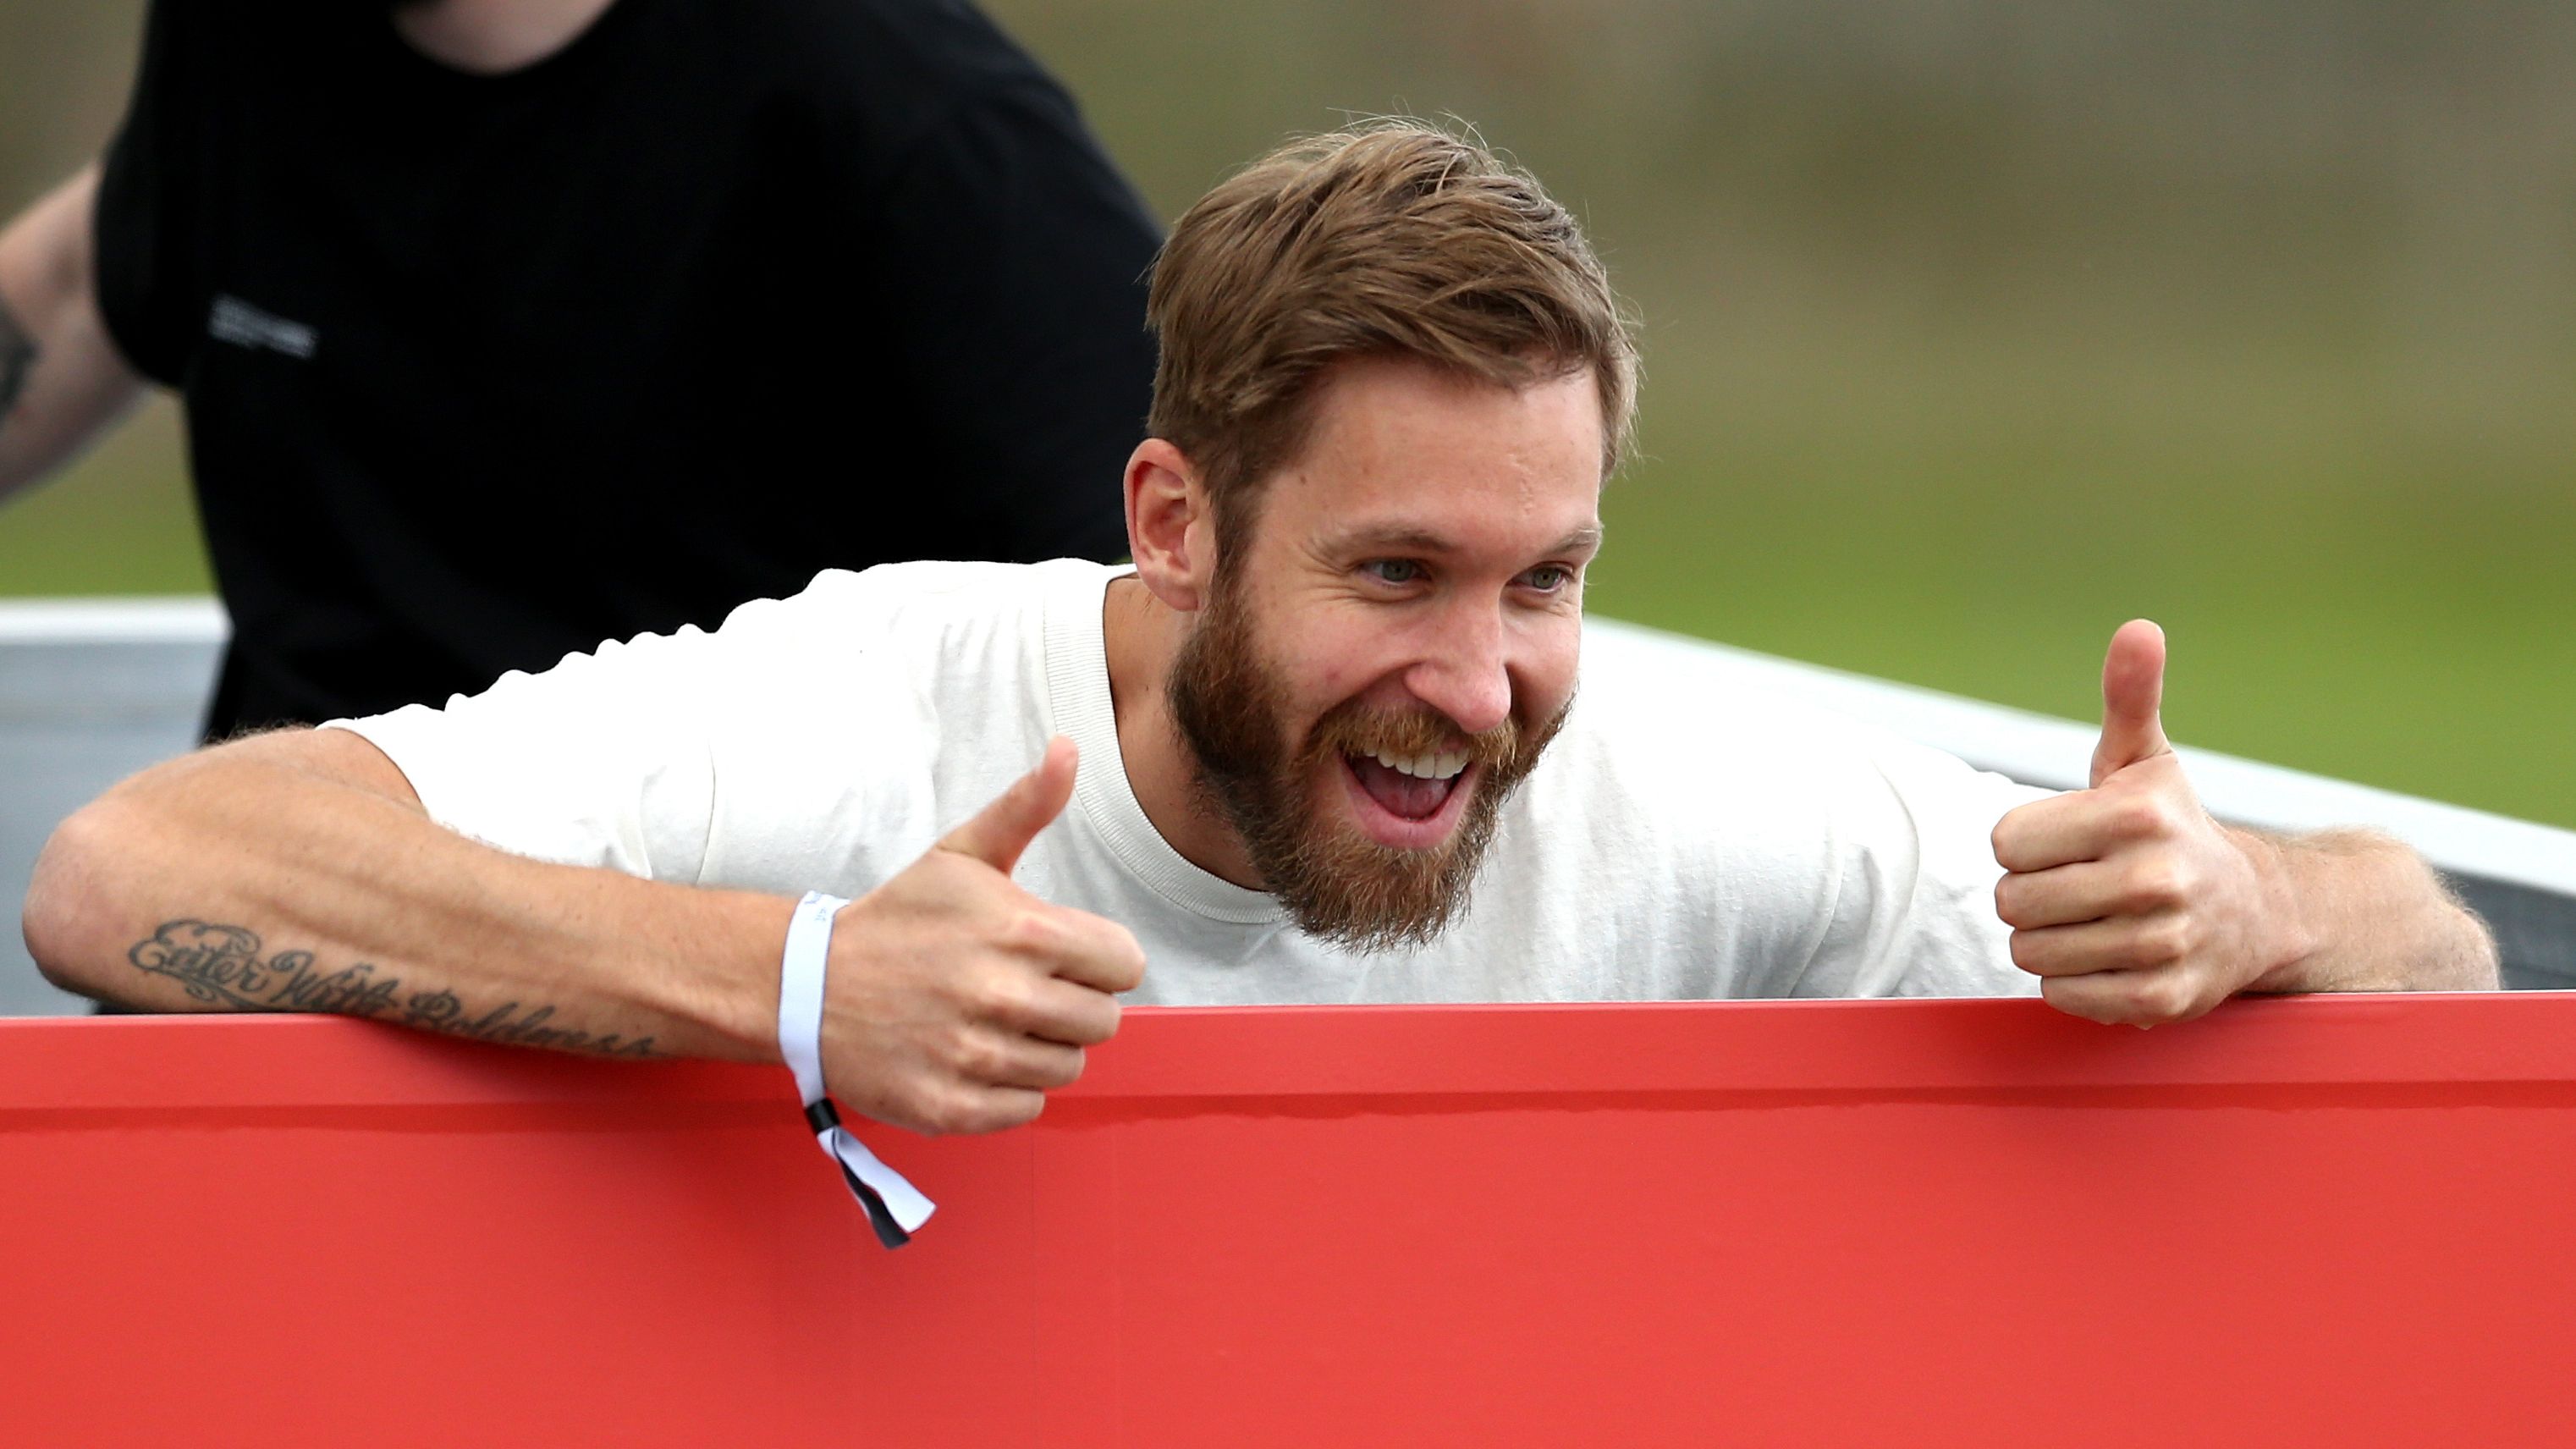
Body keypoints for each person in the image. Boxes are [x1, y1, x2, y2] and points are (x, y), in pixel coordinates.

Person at [24, 121, 2498, 1143]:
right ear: (1175, 525)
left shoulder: (1679, 793)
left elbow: (2446, 959)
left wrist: (2247, 905)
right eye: (1395, 575)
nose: (1483, 684)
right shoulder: (873, 702)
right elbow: (130, 872)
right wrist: (796, 985)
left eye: (1547, 580)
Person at [0, 0, 1159, 737]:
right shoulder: (245, 36)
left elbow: (1173, 611)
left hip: (699, 986)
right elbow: (78, 283)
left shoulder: (914, 124)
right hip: (273, 921)